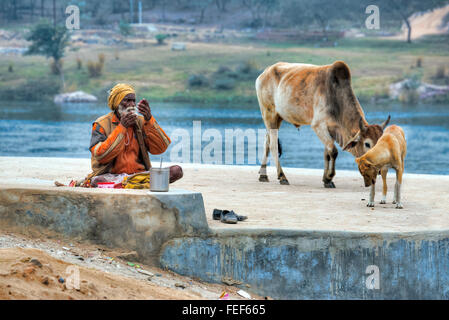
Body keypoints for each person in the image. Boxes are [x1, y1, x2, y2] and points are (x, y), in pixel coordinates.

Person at [86, 83, 182, 186]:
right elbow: (101, 156)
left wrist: (149, 119)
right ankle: (136, 184)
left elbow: (160, 148)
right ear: (117, 102)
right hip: (112, 176)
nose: (131, 104)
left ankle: (132, 183)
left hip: (139, 175)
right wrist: (122, 127)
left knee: (176, 171)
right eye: (127, 100)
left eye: (133, 101)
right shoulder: (101, 124)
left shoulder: (140, 121)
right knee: (97, 181)